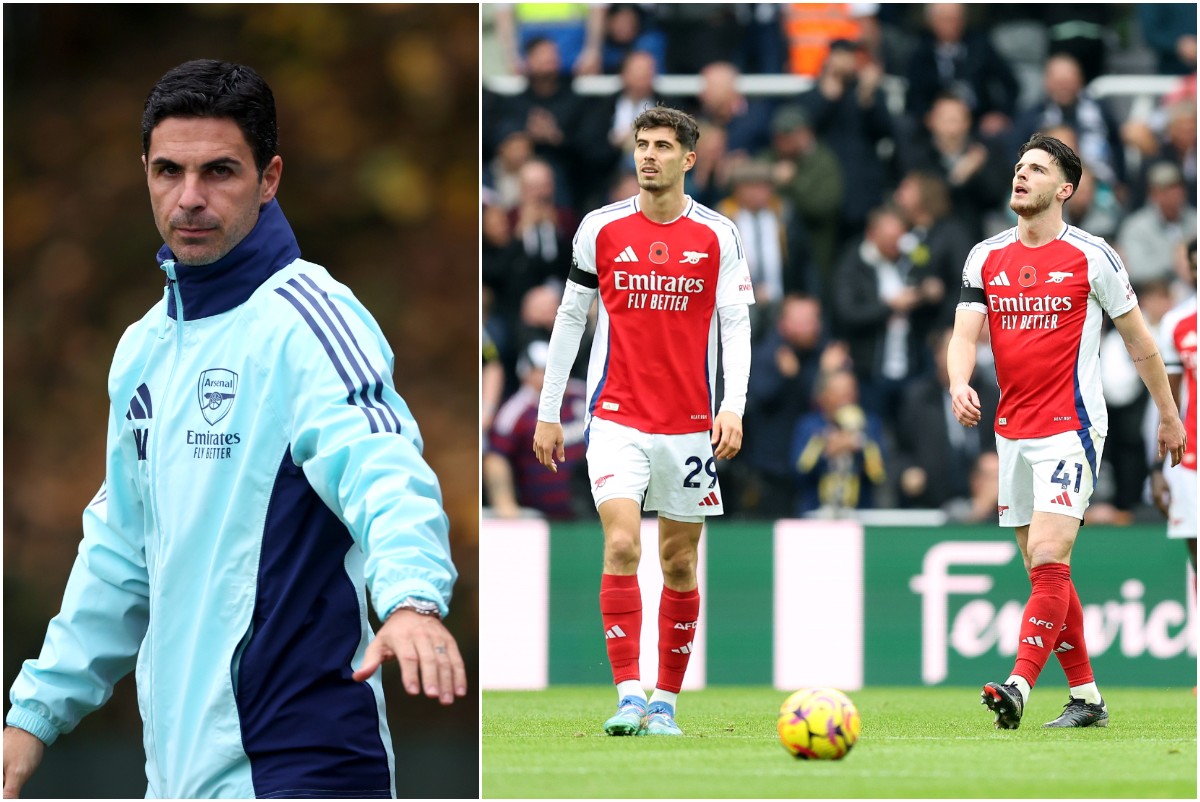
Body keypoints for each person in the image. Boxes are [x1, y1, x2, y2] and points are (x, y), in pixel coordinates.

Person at [2, 60, 467, 799]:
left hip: (304, 767)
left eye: (219, 171)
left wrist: (411, 597)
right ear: (145, 175)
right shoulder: (143, 350)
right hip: (179, 778)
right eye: (168, 171)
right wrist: (30, 720)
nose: (190, 198)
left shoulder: (309, 319)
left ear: (270, 177)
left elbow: (383, 464)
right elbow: (121, 555)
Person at [948, 133, 1186, 731]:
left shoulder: (1092, 255)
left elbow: (1140, 343)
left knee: (1051, 555)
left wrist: (1170, 414)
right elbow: (963, 335)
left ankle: (1018, 685)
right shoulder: (985, 255)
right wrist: (958, 382)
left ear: (1066, 188)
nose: (1020, 176)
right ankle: (1088, 698)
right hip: (1012, 431)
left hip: (1071, 427)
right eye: (1019, 166)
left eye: (1036, 169)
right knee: (1044, 573)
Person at [532, 105, 754, 737]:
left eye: (662, 146)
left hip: (689, 424)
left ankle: (667, 704)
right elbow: (571, 319)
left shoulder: (718, 235)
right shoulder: (599, 228)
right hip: (615, 417)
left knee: (680, 563)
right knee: (623, 543)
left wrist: (731, 405)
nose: (648, 155)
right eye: (641, 144)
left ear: (689, 158)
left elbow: (736, 326)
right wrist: (552, 412)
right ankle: (629, 694)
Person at [484, 340, 588, 520]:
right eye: (544, 369)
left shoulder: (582, 394)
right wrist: (504, 503)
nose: (553, 374)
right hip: (542, 516)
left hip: (592, 506)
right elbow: (496, 458)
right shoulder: (515, 411)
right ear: (527, 373)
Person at [1150, 239, 1197, 574]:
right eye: (1194, 265)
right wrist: (1158, 467)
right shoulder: (1177, 323)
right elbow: (1168, 403)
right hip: (1192, 461)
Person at [790, 367, 888, 516]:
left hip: (859, 514)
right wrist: (826, 451)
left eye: (850, 392)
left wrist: (859, 443)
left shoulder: (870, 425)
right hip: (815, 513)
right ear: (822, 397)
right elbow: (799, 472)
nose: (847, 398)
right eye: (840, 393)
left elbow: (879, 475)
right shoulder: (809, 426)